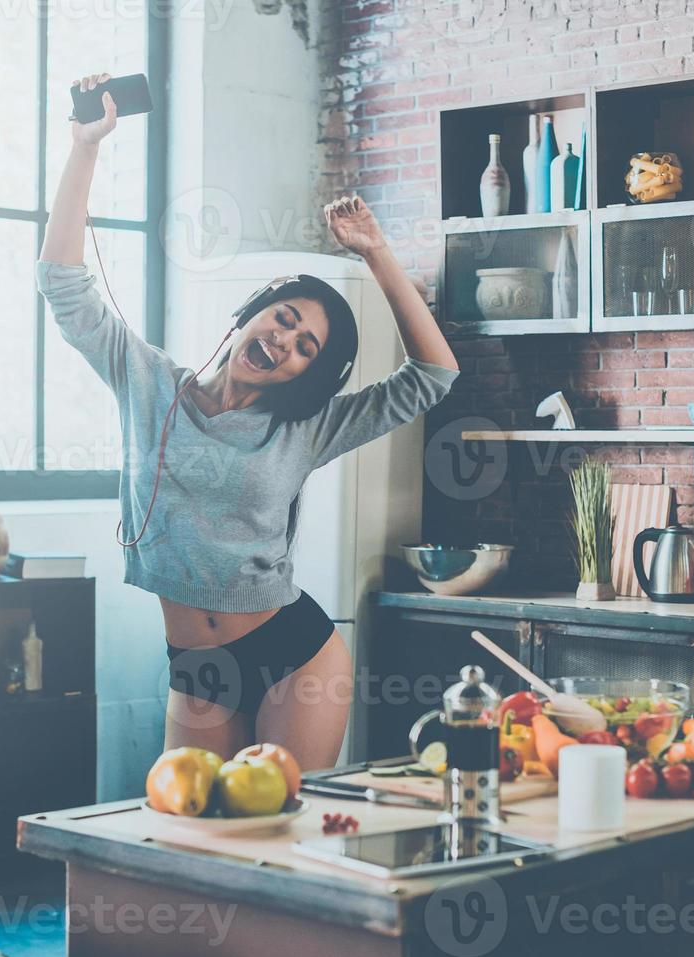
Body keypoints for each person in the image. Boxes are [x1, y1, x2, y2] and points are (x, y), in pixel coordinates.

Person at [37, 73, 459, 769]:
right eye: (283, 320)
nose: (283, 344)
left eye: (304, 349)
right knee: (193, 834)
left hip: (294, 654)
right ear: (253, 313)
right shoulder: (147, 383)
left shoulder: (306, 428)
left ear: (307, 373)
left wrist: (376, 253)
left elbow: (433, 377)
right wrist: (84, 148)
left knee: (282, 833)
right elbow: (62, 284)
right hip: (194, 664)